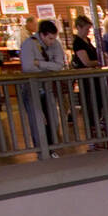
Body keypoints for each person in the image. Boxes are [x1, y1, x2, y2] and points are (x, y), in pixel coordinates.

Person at [20, 21, 66, 150]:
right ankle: (41, 149)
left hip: (47, 87)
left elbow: (59, 65)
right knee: (37, 120)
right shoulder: (29, 44)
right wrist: (48, 67)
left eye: (53, 38)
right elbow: (28, 67)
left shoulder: (55, 44)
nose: (52, 42)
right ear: (42, 35)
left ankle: (51, 146)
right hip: (32, 87)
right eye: (50, 38)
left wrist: (39, 64)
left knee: (53, 119)